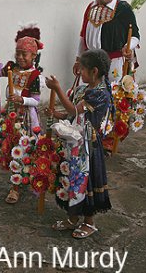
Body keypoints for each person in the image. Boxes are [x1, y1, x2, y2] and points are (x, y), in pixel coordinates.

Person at [45, 49, 113, 239]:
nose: (79, 72)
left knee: (85, 181)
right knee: (70, 178)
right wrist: (56, 115)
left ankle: (89, 223)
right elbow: (72, 114)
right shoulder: (83, 89)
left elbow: (75, 109)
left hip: (87, 146)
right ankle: (72, 218)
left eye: (83, 69)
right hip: (73, 142)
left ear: (95, 71)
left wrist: (57, 88)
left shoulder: (101, 94)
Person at [0, 25, 44, 204]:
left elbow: (36, 101)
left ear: (33, 56)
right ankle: (16, 179)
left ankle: (17, 185)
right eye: (17, 53)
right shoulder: (11, 67)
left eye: (23, 54)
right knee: (11, 147)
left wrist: (22, 100)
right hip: (9, 115)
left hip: (25, 118)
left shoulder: (35, 76)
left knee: (24, 148)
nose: (19, 57)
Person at [73, 0, 140, 82]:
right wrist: (78, 60)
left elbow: (135, 36)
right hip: (91, 62)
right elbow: (83, 35)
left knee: (114, 95)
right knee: (88, 94)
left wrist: (128, 46)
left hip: (115, 62)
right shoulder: (90, 7)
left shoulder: (123, 8)